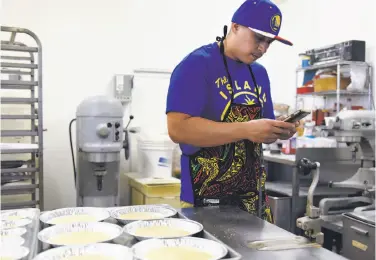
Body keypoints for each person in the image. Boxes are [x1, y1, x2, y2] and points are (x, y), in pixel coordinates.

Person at [165, 0, 297, 223]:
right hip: (205, 199)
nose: (263, 48)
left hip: (253, 198)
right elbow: (178, 129)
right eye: (259, 38)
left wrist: (278, 129)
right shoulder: (198, 64)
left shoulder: (260, 74)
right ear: (235, 26)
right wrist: (247, 129)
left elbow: (260, 133)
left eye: (269, 42)